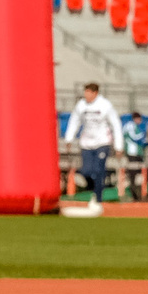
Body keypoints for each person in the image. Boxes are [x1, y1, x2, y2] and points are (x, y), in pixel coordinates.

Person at [62, 83, 122, 212]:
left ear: (95, 93)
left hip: (102, 142)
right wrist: (69, 138)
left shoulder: (105, 105)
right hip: (87, 143)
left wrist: (118, 146)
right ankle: (92, 189)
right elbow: (74, 121)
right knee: (86, 171)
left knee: (99, 170)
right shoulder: (81, 105)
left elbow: (115, 124)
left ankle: (98, 198)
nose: (86, 95)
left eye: (88, 92)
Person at [120, 108, 148, 202]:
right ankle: (135, 195)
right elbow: (135, 138)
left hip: (137, 153)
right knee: (133, 175)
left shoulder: (134, 126)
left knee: (140, 174)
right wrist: (147, 139)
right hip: (132, 154)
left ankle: (140, 194)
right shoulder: (130, 126)